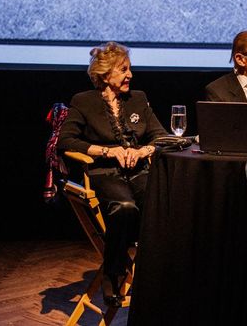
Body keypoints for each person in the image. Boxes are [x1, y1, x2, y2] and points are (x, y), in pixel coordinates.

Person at [57, 41, 168, 306]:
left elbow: (162, 136)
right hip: (105, 172)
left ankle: (160, 274)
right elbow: (66, 141)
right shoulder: (84, 101)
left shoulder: (138, 99)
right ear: (106, 75)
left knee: (163, 205)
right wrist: (109, 151)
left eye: (129, 69)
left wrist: (142, 152)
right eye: (124, 70)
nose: (130, 75)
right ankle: (114, 273)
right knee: (125, 206)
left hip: (140, 171)